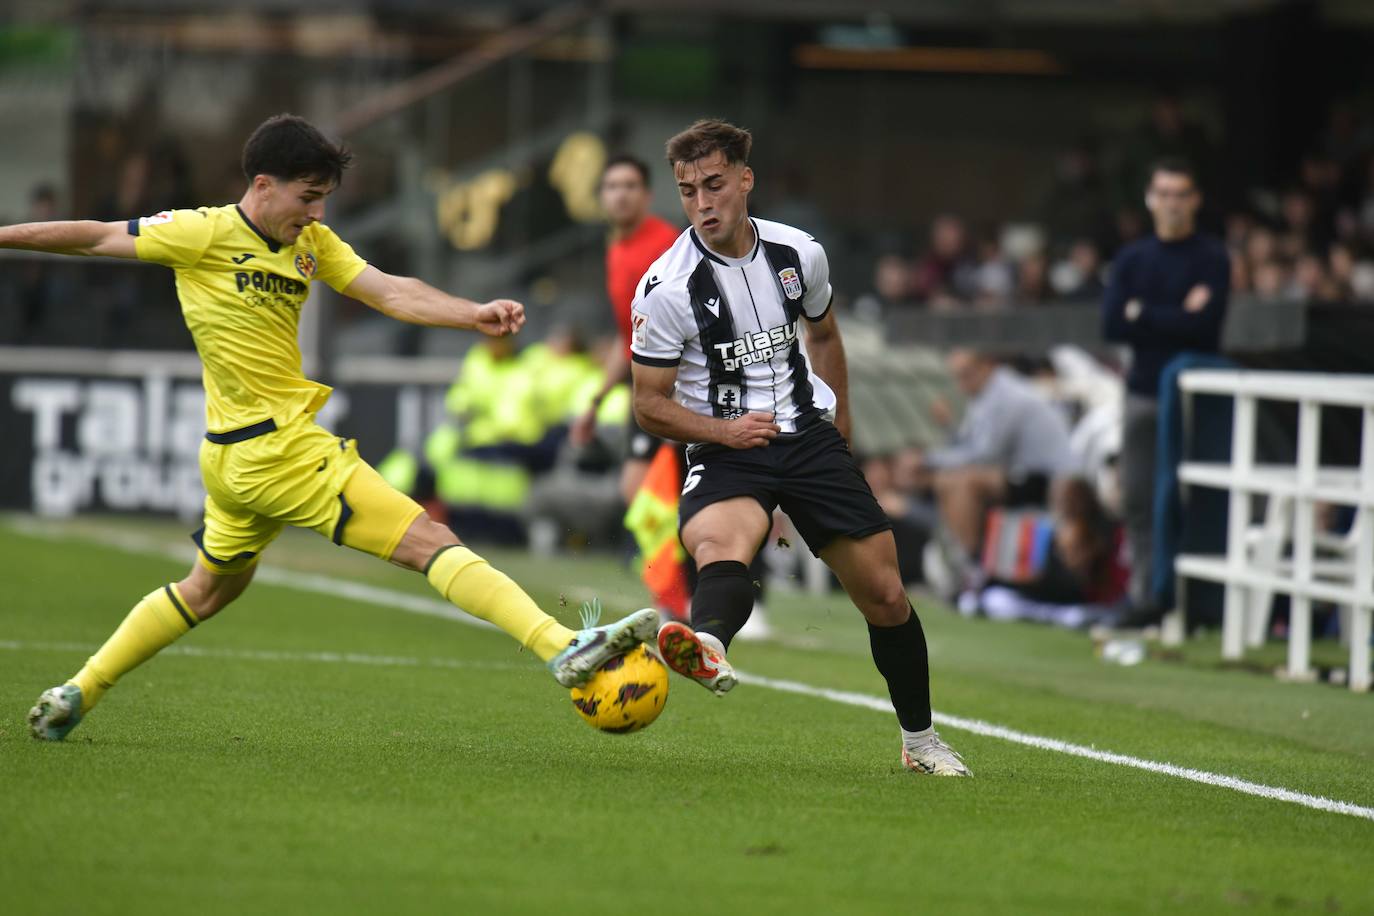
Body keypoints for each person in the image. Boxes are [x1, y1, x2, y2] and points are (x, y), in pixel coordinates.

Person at [9, 113, 657, 741]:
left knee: (207, 592)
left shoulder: (310, 245)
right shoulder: (200, 233)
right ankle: (562, 644)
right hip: (279, 449)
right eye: (308, 197)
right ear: (263, 185)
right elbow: (94, 236)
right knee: (428, 539)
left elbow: (388, 291)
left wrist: (471, 314)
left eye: (323, 200)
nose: (317, 213)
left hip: (236, 461)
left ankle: (79, 691)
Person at [629, 118, 968, 776]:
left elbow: (826, 336)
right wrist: (725, 432)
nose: (702, 203)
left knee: (887, 597)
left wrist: (841, 429)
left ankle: (921, 742)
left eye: (715, 185)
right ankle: (708, 643)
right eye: (687, 190)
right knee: (721, 545)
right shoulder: (667, 288)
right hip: (726, 446)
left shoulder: (798, 254)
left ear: (745, 181)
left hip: (807, 437)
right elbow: (648, 403)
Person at [1102, 157, 1230, 623]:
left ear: (1194, 200)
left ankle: (1193, 602)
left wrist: (1145, 314)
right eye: (1165, 193)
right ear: (1150, 199)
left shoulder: (1212, 257)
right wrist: (1175, 314)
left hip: (1195, 396)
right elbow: (1113, 322)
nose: (1173, 204)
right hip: (1142, 391)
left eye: (1181, 194)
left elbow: (1204, 326)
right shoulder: (1133, 258)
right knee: (1138, 496)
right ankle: (1147, 596)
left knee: (1191, 495)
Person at [570, 154, 679, 505]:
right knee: (639, 492)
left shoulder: (669, 246)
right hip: (645, 387)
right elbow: (629, 337)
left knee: (652, 491)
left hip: (681, 387)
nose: (621, 195)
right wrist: (596, 402)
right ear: (601, 197)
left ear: (647, 195)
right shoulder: (616, 251)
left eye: (630, 186)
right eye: (612, 187)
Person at [922, 349, 1076, 587]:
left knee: (962, 483)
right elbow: (970, 446)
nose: (962, 384)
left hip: (1047, 478)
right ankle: (964, 560)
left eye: (967, 375)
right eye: (958, 377)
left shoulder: (1007, 396)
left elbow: (985, 455)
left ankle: (973, 567)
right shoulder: (985, 396)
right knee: (946, 480)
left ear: (987, 365)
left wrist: (929, 460)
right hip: (1021, 474)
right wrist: (948, 429)